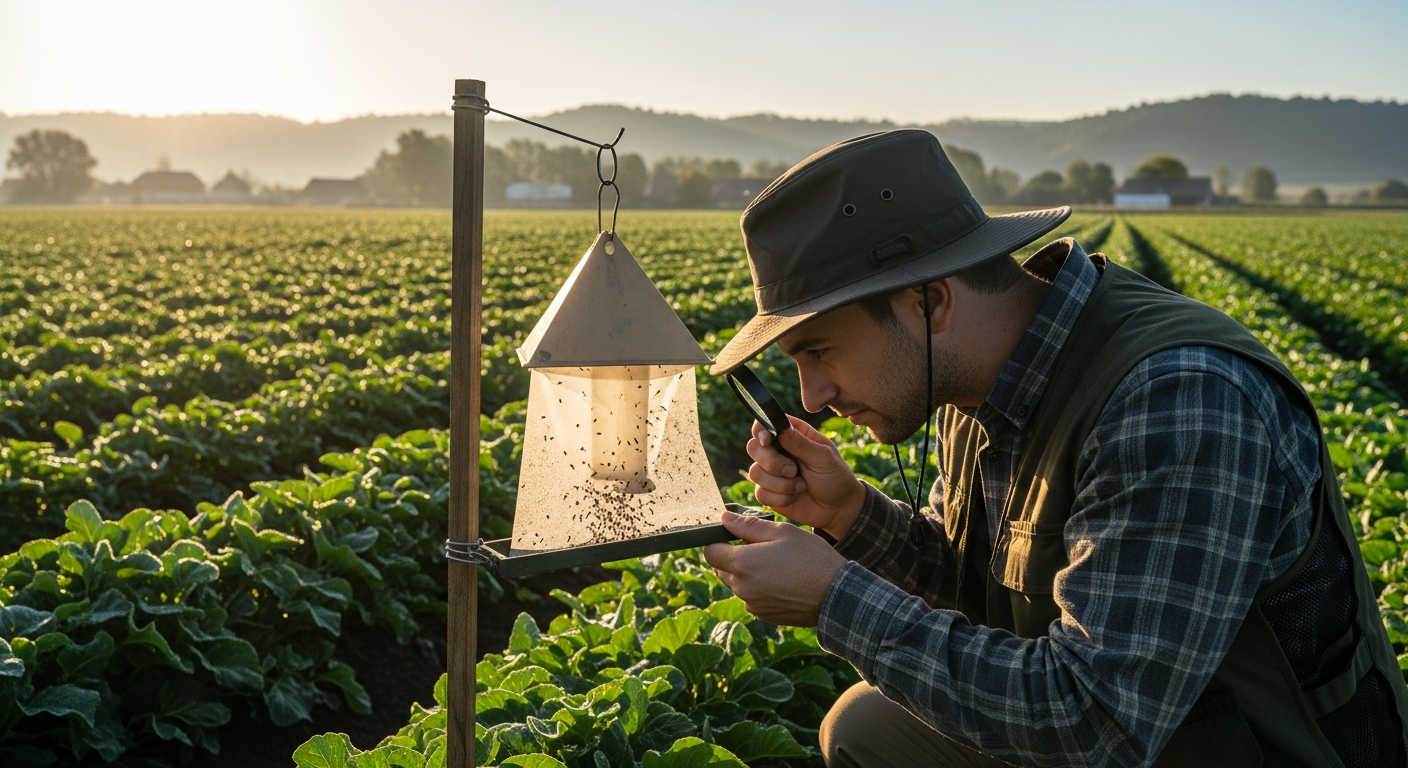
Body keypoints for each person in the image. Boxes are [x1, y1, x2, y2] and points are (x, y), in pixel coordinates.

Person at [701, 130, 1408, 767]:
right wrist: (850, 514)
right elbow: (977, 592)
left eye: (819, 350)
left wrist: (836, 601)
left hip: (1237, 747)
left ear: (930, 302)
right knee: (870, 726)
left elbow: (1097, 722)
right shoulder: (969, 379)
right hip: (1151, 731)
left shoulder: (1175, 399)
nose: (813, 396)